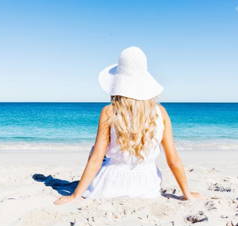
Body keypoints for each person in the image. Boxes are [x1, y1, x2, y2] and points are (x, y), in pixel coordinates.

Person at [54, 46, 201, 205]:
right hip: (147, 186)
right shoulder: (161, 113)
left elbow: (96, 158)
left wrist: (75, 195)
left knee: (96, 150)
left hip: (110, 185)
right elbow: (173, 160)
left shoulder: (109, 112)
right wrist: (187, 194)